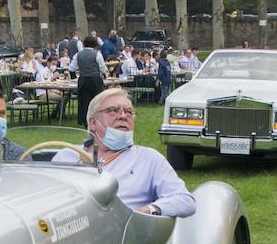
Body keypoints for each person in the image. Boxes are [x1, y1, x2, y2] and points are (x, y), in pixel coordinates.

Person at [51, 88, 195, 216]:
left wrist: (149, 210)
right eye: (113, 111)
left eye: (129, 112)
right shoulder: (67, 155)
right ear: (93, 123)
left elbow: (185, 200)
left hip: (124, 236)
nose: (123, 116)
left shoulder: (148, 159)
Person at [72, 34, 107, 125]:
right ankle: (97, 120)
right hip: (95, 80)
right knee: (97, 101)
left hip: (83, 79)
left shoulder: (78, 54)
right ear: (95, 44)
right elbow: (103, 68)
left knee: (84, 101)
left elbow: (71, 68)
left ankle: (85, 120)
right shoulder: (97, 54)